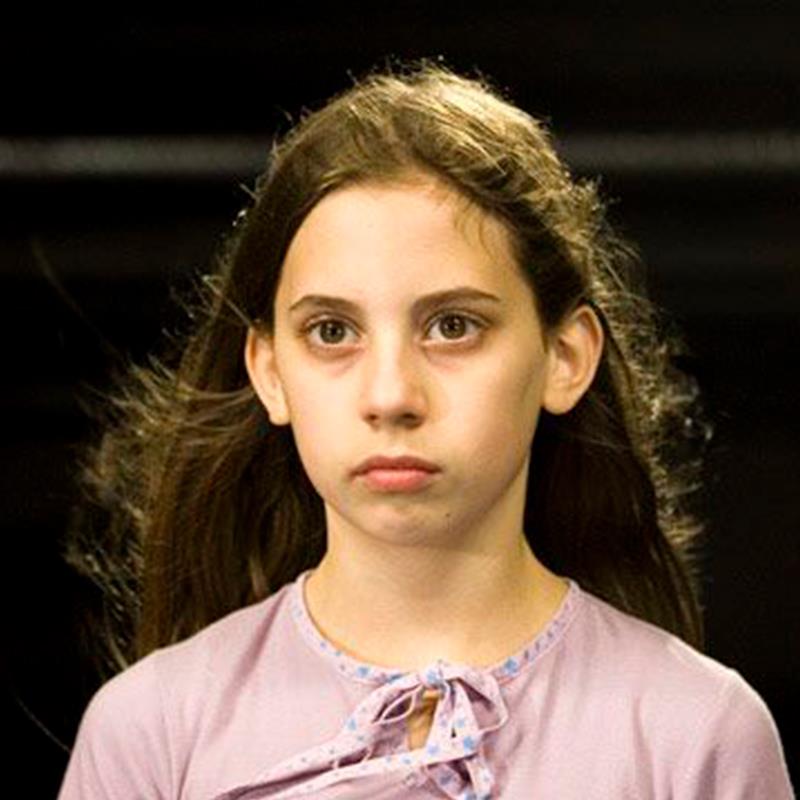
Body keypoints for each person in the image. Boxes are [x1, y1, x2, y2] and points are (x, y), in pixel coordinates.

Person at [58, 63, 794, 799]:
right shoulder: (150, 732)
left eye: (452, 326)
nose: (390, 397)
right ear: (271, 372)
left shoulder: (695, 734)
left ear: (565, 357)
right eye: (331, 330)